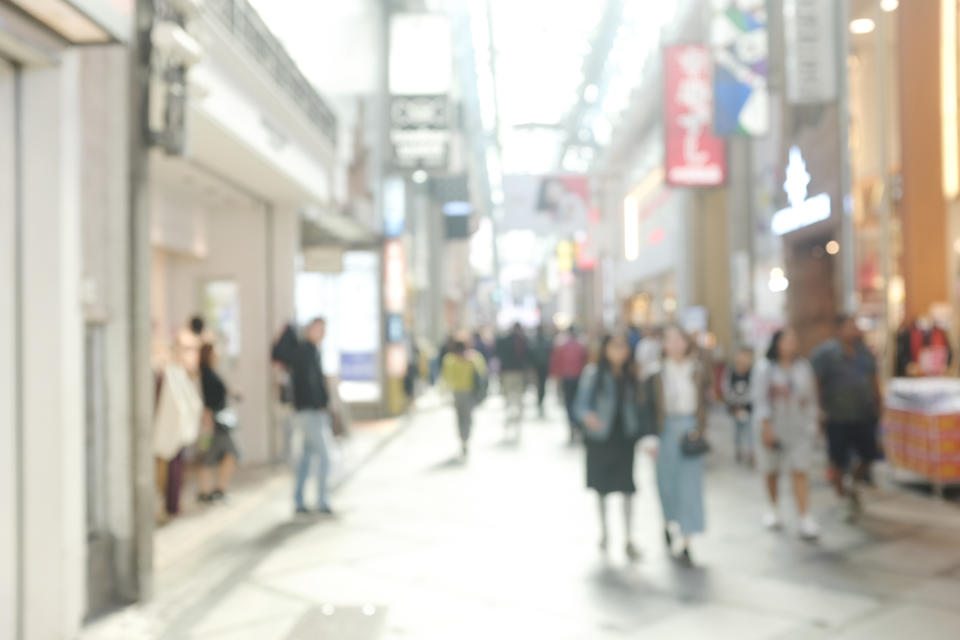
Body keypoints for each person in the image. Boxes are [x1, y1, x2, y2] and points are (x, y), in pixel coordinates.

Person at [574, 331, 655, 561]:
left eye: (623, 347)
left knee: (627, 488)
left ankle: (629, 537)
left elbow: (641, 406)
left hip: (625, 437)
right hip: (601, 437)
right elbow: (580, 404)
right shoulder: (594, 373)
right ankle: (604, 533)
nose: (619, 352)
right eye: (614, 346)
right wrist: (588, 416)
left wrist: (645, 435)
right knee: (602, 489)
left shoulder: (631, 374)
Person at [811, 314, 881, 519]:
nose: (854, 330)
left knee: (869, 455)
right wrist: (819, 412)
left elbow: (873, 380)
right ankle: (843, 496)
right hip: (837, 417)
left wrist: (879, 405)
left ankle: (854, 482)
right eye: (850, 326)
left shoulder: (864, 353)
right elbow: (816, 383)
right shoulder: (825, 354)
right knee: (838, 461)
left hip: (863, 415)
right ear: (840, 329)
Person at [754, 328, 820, 539]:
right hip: (773, 426)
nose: (790, 344)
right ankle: (773, 509)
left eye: (793, 340)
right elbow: (760, 400)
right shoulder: (765, 368)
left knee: (800, 470)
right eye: (786, 340)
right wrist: (766, 427)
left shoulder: (803, 368)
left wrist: (812, 424)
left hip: (798, 427)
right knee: (771, 470)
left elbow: (810, 399)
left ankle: (804, 516)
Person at [653, 325, 709, 565]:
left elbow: (706, 401)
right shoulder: (656, 373)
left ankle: (687, 538)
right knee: (666, 483)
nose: (675, 345)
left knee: (690, 485)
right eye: (670, 340)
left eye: (680, 340)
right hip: (664, 431)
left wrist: (700, 428)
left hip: (690, 430)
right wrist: (650, 437)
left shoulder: (696, 370)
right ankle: (668, 522)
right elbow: (649, 406)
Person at [287, 317, 334, 515]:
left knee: (306, 458)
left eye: (324, 329)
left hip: (307, 411)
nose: (322, 333)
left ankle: (299, 501)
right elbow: (309, 384)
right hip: (309, 412)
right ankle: (322, 501)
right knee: (325, 456)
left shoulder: (311, 351)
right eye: (319, 329)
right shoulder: (305, 352)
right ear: (309, 330)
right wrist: (320, 404)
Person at [197, 343, 239, 503]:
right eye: (215, 350)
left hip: (220, 419)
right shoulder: (207, 374)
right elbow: (208, 400)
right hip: (215, 420)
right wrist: (207, 422)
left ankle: (209, 490)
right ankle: (214, 490)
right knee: (227, 454)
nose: (219, 353)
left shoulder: (213, 372)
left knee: (212, 455)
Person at [442, 340, 488, 458]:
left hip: (461, 392)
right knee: (465, 416)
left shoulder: (450, 360)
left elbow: (446, 378)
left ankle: (464, 438)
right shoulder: (474, 358)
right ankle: (464, 438)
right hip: (466, 393)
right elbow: (483, 372)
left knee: (462, 417)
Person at [550, 326, 590, 444]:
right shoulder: (581, 346)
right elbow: (586, 362)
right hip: (579, 378)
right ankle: (578, 425)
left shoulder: (562, 346)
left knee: (569, 403)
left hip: (567, 378)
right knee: (579, 402)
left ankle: (572, 424)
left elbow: (556, 363)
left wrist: (556, 379)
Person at [496, 323, 531, 439]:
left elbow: (498, 355)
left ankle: (510, 411)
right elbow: (527, 356)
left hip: (507, 371)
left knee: (508, 394)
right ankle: (516, 414)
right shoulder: (522, 340)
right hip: (518, 372)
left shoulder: (505, 340)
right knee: (518, 396)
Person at [724, 347, 755, 466]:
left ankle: (750, 453)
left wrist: (747, 404)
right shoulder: (731, 372)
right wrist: (734, 405)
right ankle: (739, 450)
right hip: (735, 407)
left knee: (749, 431)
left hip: (748, 407)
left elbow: (754, 390)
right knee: (737, 431)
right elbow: (727, 389)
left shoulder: (751, 373)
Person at [532, 323, 553, 418]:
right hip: (543, 367)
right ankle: (540, 399)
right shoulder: (546, 341)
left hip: (538, 367)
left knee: (540, 385)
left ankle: (540, 399)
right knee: (542, 385)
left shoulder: (534, 341)